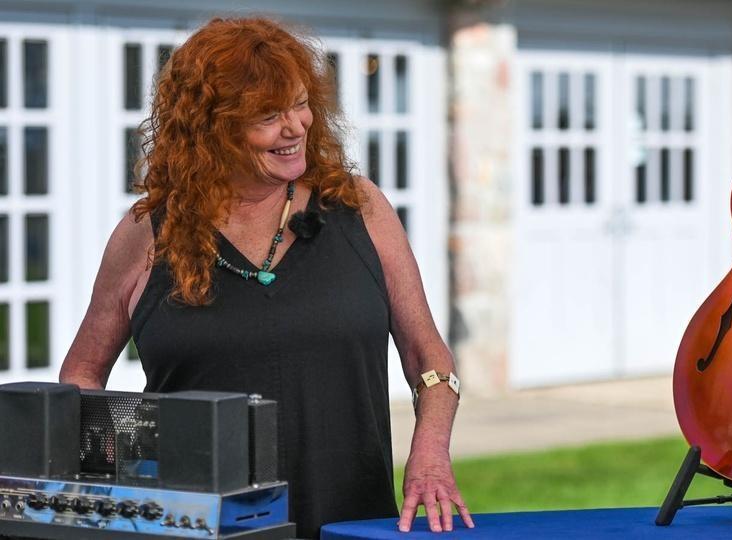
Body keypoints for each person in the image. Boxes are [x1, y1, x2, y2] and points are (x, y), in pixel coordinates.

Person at [58, 17, 474, 538]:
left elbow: (427, 356)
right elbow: (80, 376)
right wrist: (139, 456)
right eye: (268, 115)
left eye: (300, 104)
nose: (296, 126)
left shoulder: (358, 206)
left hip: (349, 524)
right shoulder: (147, 232)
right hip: (197, 529)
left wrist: (430, 452)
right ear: (212, 125)